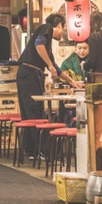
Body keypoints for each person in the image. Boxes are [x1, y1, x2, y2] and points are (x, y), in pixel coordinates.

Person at [16, 13, 66, 159]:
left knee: (30, 112)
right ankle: (40, 150)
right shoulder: (47, 28)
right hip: (29, 74)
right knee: (33, 112)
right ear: (58, 26)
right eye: (63, 29)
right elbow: (38, 44)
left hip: (29, 74)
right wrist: (49, 66)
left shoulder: (48, 46)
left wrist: (72, 82)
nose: (62, 33)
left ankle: (32, 151)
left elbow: (57, 68)